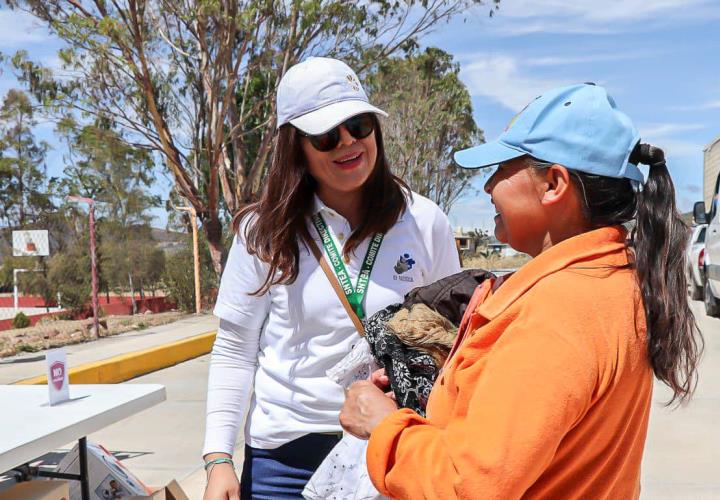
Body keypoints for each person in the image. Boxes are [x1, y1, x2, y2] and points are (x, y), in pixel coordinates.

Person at [340, 83, 704, 499]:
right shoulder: (614, 278)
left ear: (553, 183)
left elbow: (471, 485)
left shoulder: (555, 312)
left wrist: (384, 426)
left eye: (501, 168)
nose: (487, 186)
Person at [202, 56, 461, 500]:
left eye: (359, 125)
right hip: (284, 459)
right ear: (296, 146)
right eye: (325, 135)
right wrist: (218, 460)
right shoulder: (262, 232)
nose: (348, 142)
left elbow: (452, 343)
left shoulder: (423, 221)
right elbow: (234, 352)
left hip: (388, 444)